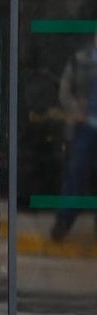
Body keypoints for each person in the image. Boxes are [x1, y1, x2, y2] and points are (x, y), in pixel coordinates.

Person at [50, 34, 97, 242]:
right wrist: (74, 109)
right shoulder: (80, 60)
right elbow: (65, 90)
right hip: (83, 127)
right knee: (75, 175)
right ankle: (63, 222)